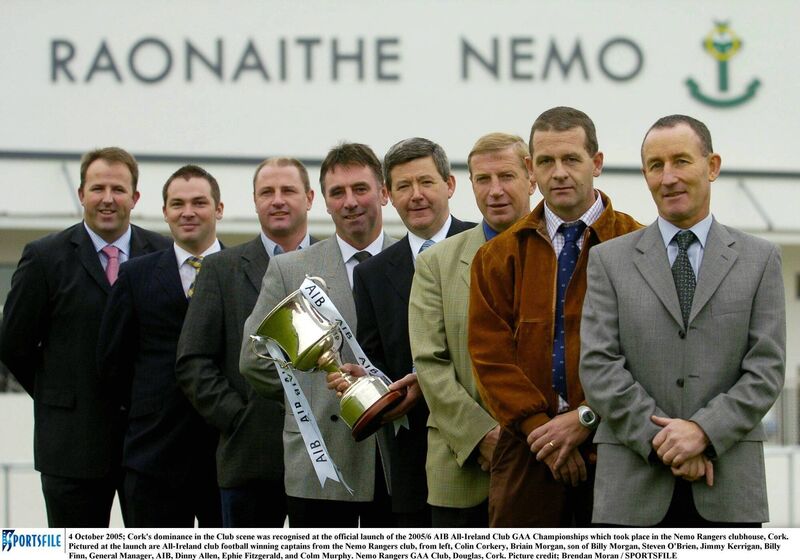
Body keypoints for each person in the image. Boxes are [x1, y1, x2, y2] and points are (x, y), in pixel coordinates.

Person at [579, 115, 785, 527]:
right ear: (645, 176)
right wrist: (665, 442)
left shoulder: (760, 259)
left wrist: (704, 433)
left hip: (727, 487)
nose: (668, 177)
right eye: (656, 166)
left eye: (681, 161)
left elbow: (766, 369)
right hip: (632, 489)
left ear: (712, 166)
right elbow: (598, 366)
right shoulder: (609, 261)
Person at [468, 107, 641, 527]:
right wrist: (543, 432)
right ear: (531, 169)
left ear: (596, 163)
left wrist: (586, 418)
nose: (558, 172)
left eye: (571, 159)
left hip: (619, 444)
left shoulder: (637, 243)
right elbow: (490, 358)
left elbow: (647, 352)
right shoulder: (497, 256)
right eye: (546, 161)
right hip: (529, 452)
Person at [0, 147, 169, 527]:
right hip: (70, 446)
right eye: (97, 188)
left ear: (135, 197)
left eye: (118, 189)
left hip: (146, 447)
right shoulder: (45, 258)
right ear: (81, 194)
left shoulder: (162, 255)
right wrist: (56, 391)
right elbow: (13, 344)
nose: (108, 199)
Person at [239, 143, 395, 528]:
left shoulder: (414, 260)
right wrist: (307, 393)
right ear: (323, 201)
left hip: (396, 455)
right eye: (337, 192)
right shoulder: (290, 269)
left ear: (383, 193)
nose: (350, 202)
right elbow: (254, 357)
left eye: (361, 189)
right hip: (322, 458)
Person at [176, 157, 316, 527]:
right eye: (267, 192)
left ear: (310, 198)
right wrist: (238, 418)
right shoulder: (221, 269)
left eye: (288, 190)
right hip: (249, 460)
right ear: (255, 201)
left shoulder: (334, 263)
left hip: (326, 462)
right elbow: (193, 362)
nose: (278, 200)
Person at [344, 137, 475, 527]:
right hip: (413, 460)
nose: (416, 196)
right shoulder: (371, 274)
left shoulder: (489, 245)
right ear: (388, 195)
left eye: (426, 183)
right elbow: (373, 359)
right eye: (403, 186)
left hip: (487, 445)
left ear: (450, 186)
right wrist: (366, 387)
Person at [409, 132, 534, 527]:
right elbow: (430, 364)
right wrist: (482, 435)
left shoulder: (566, 256)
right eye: (483, 179)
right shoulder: (436, 263)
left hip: (545, 461)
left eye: (507, 177)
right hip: (461, 466)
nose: (494, 191)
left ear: (531, 178)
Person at [97, 165, 224, 527]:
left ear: (219, 208)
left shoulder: (245, 270)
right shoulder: (136, 275)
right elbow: (112, 363)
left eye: (199, 202)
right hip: (153, 458)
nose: (188, 211)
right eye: (177, 203)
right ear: (165, 211)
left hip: (225, 457)